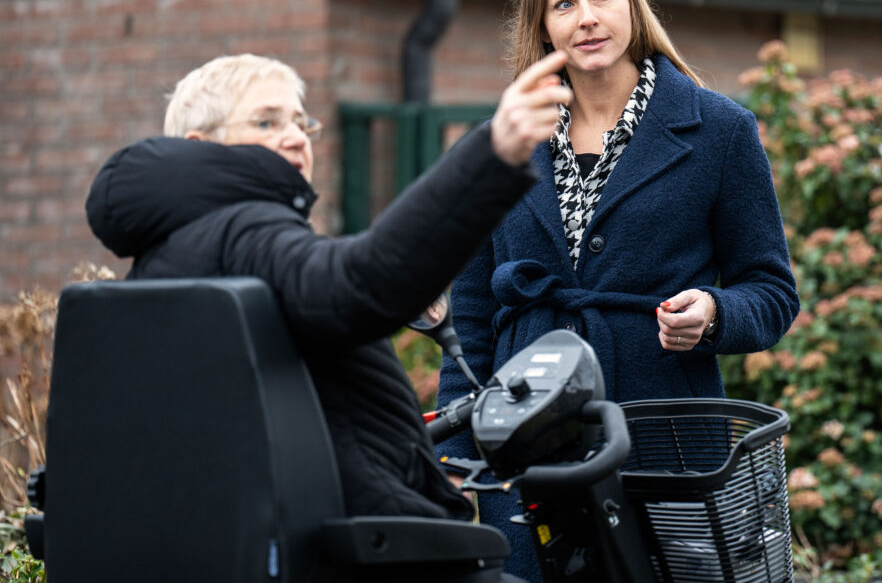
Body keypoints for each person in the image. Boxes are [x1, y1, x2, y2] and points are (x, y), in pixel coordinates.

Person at [85, 52, 571, 549]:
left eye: (300, 121)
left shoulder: (170, 256)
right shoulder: (245, 232)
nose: (295, 136)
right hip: (374, 549)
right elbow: (363, 285)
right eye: (265, 121)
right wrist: (492, 154)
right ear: (199, 147)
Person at [435, 0, 800, 580]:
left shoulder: (719, 131)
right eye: (564, 3)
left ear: (631, 1)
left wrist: (714, 313)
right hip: (525, 444)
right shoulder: (503, 140)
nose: (587, 17)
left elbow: (771, 289)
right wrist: (463, 463)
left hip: (664, 436)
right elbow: (469, 314)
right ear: (543, 25)